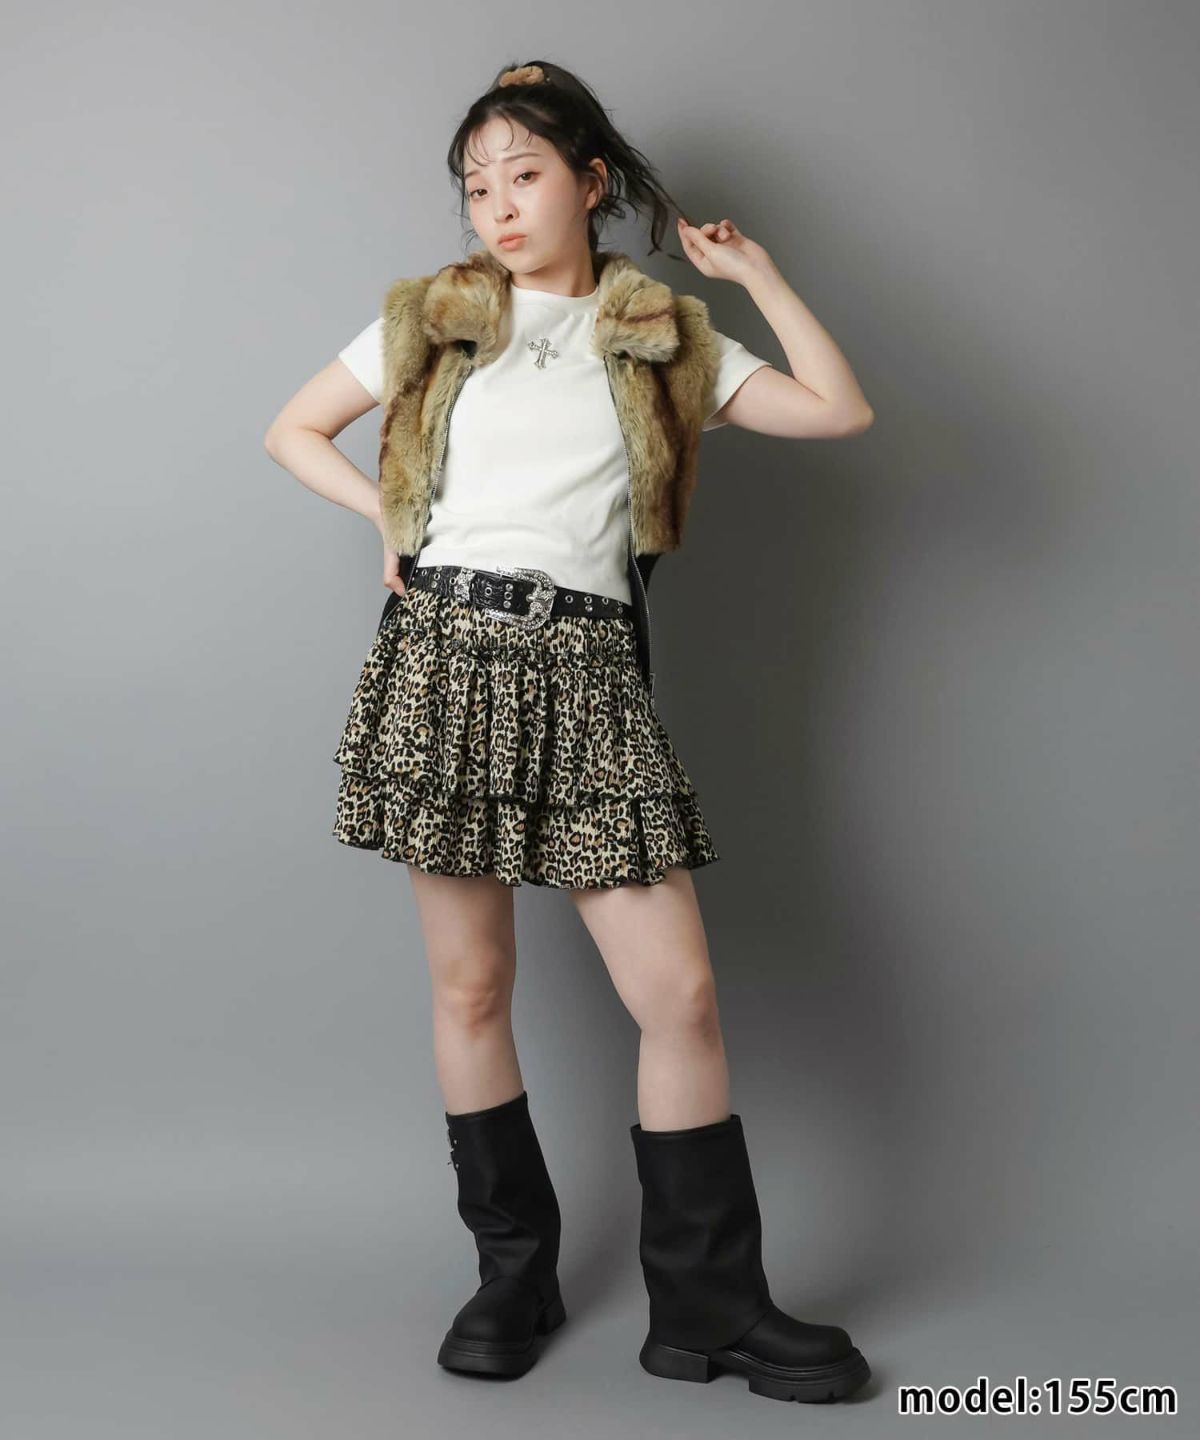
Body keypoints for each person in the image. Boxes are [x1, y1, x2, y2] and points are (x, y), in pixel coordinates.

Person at [264, 58, 875, 1406]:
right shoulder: (433, 318)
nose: (496, 203)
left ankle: (709, 1306)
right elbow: (294, 430)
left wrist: (759, 278)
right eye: (475, 182)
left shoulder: (657, 331)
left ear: (592, 183)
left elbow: (838, 410)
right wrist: (389, 516)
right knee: (471, 989)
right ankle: (513, 1274)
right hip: (447, 659)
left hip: (589, 669)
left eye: (524, 174)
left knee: (681, 998)